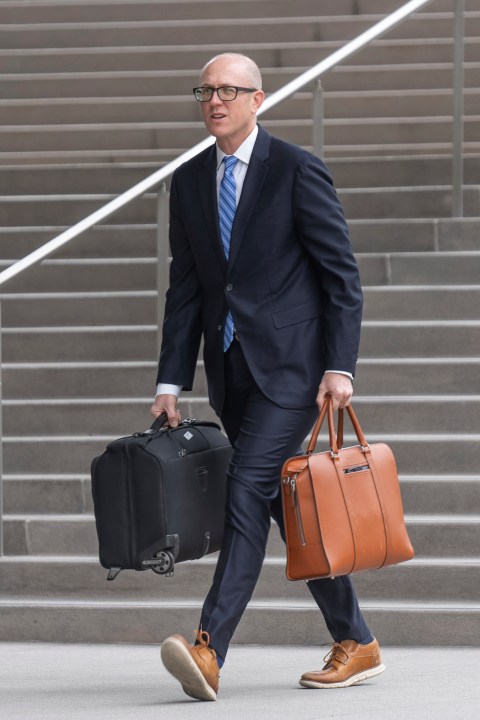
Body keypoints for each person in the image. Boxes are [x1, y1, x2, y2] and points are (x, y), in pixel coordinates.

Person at [150, 52, 384, 701]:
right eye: (205, 90)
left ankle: (209, 647)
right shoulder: (192, 179)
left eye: (228, 90)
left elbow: (341, 277)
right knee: (286, 505)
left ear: (259, 99)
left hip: (292, 371)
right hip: (231, 373)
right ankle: (357, 639)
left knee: (248, 489)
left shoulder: (295, 169)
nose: (215, 100)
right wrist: (172, 381)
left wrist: (340, 366)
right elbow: (189, 289)